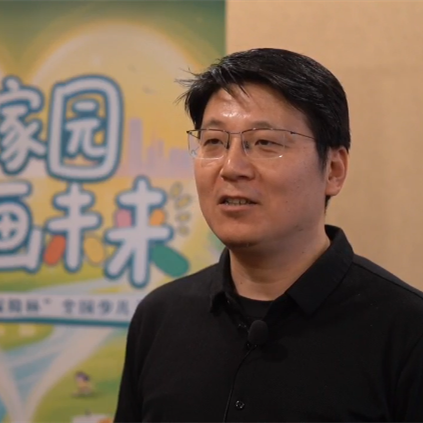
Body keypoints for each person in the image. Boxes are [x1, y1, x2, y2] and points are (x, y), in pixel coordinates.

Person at [114, 48, 423, 423]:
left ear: (334, 170)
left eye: (265, 142)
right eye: (214, 142)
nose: (232, 167)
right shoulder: (159, 316)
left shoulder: (407, 331)